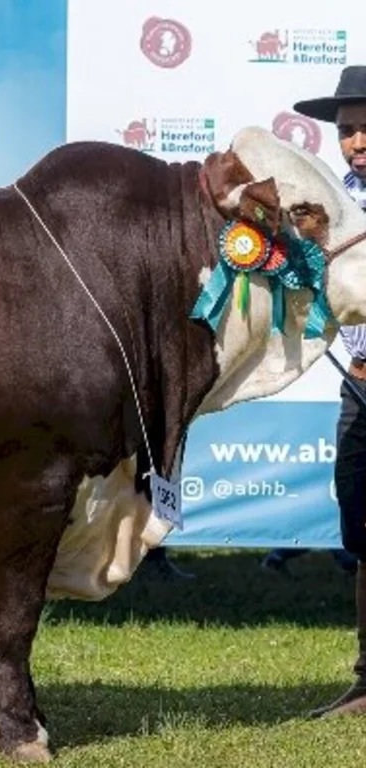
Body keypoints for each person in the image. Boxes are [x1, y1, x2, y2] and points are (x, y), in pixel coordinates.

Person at [290, 65, 366, 718]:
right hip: (360, 389)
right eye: (346, 130)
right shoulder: (327, 205)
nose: (357, 140)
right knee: (363, 528)